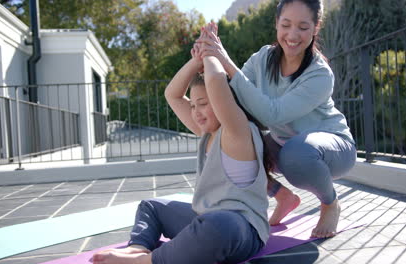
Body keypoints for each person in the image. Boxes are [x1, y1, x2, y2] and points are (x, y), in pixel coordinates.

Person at [91, 26, 272, 264]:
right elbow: (173, 95)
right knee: (152, 206)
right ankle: (138, 248)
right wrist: (195, 61)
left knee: (218, 225)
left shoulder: (238, 131)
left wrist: (210, 51)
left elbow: (217, 81)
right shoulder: (207, 132)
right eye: (193, 105)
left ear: (226, 101)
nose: (195, 112)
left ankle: (143, 263)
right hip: (206, 218)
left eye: (202, 104)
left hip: (241, 230)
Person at [196, 0, 356, 238]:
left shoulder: (320, 74)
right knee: (244, 143)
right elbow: (233, 94)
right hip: (287, 144)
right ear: (277, 24)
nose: (293, 35)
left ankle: (330, 203)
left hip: (334, 149)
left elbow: (273, 113)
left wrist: (226, 62)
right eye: (286, 25)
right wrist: (206, 58)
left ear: (315, 28)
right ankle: (283, 196)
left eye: (303, 27)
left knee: (297, 152)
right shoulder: (263, 58)